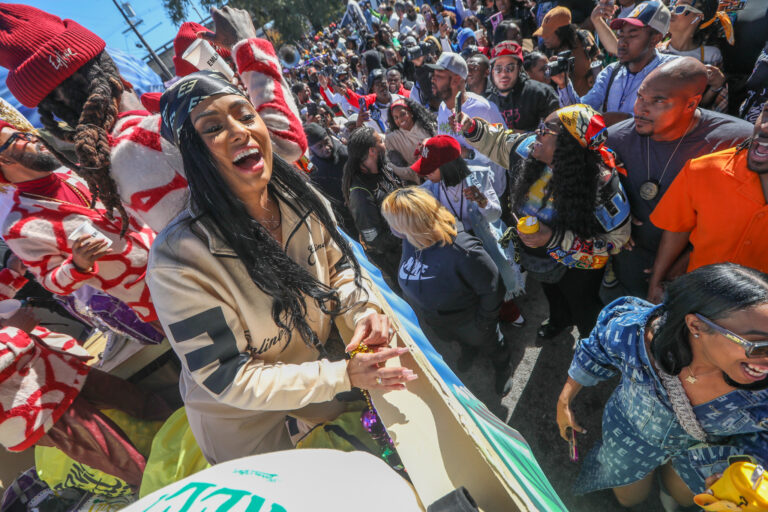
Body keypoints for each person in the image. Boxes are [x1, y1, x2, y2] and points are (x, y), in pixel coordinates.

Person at [149, 71, 415, 464]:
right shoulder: (178, 260)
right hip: (244, 424)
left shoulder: (300, 197)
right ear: (191, 156)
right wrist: (342, 376)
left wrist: (363, 314)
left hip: (310, 382)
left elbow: (340, 268)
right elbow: (231, 377)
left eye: (245, 115)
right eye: (213, 127)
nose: (240, 132)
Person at [0, 4, 306, 233]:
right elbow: (285, 143)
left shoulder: (108, 170)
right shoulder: (159, 135)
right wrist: (246, 44)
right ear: (109, 67)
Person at [557, 264, 768, 508]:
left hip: (705, 455)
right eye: (757, 346)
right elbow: (598, 347)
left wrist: (753, 468)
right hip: (629, 434)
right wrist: (564, 400)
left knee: (682, 498)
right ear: (696, 326)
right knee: (629, 498)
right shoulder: (634, 333)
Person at [455, 104, 631, 338]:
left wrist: (554, 238)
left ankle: (592, 348)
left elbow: (616, 240)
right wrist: (472, 127)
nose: (536, 132)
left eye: (545, 129)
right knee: (552, 293)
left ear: (569, 143)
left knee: (584, 308)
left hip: (575, 267)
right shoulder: (529, 149)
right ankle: (559, 322)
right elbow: (499, 142)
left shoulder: (601, 185)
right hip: (536, 256)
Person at [605, 58, 753, 300]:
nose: (640, 108)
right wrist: (612, 213)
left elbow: (741, 215)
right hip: (631, 257)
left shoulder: (733, 142)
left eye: (657, 101)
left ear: (691, 104)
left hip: (697, 268)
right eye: (641, 96)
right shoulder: (615, 139)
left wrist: (685, 260)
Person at [0, 118, 158, 324]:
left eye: (27, 133)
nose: (33, 137)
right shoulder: (19, 227)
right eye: (19, 137)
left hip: (183, 256)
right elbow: (50, 281)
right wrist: (77, 265)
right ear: (4, 160)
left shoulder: (70, 170)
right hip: (152, 298)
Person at [381, 187, 511, 393]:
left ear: (411, 225)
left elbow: (493, 287)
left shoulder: (461, 248)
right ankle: (469, 348)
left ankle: (503, 367)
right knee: (466, 341)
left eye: (393, 222)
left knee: (492, 345)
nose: (390, 228)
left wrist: (484, 323)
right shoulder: (411, 240)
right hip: (441, 321)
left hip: (469, 321)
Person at [647, 101, 768, 302]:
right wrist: (656, 282)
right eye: (766, 113)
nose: (764, 126)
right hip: (698, 303)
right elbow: (678, 230)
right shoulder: (703, 170)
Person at [553, 1, 677, 124]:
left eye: (632, 35)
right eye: (621, 35)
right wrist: (564, 84)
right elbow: (578, 114)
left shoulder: (668, 72)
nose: (622, 43)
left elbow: (666, 121)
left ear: (655, 39)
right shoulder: (611, 72)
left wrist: (623, 120)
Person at [429, 52, 507, 198]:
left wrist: (468, 154)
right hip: (461, 192)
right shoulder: (443, 108)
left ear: (456, 80)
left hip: (490, 194)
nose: (433, 80)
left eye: (439, 76)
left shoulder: (483, 109)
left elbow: (504, 148)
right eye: (433, 75)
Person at [343, 127, 404, 283]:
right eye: (381, 141)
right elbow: (375, 241)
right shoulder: (360, 193)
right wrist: (406, 230)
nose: (385, 144)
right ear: (372, 150)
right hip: (399, 261)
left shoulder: (385, 169)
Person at [657, 0, 731, 112]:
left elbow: (706, 109)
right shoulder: (656, 51)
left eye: (681, 8)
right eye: (672, 7)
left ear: (697, 17)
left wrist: (717, 86)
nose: (672, 13)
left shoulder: (711, 56)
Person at [486, 41, 559, 132]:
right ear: (492, 72)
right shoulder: (488, 103)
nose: (504, 73)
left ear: (519, 68)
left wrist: (522, 136)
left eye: (510, 68)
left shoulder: (541, 93)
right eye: (498, 69)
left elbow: (557, 133)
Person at [304, 123, 359, 239]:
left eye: (326, 142)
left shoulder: (346, 153)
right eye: (319, 146)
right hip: (346, 218)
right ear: (312, 150)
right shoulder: (314, 170)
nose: (326, 148)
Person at [385, 98, 436, 183]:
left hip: (442, 169)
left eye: (402, 114)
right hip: (423, 180)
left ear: (411, 113)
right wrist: (414, 171)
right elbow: (386, 160)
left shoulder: (428, 125)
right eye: (396, 117)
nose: (400, 119)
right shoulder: (392, 138)